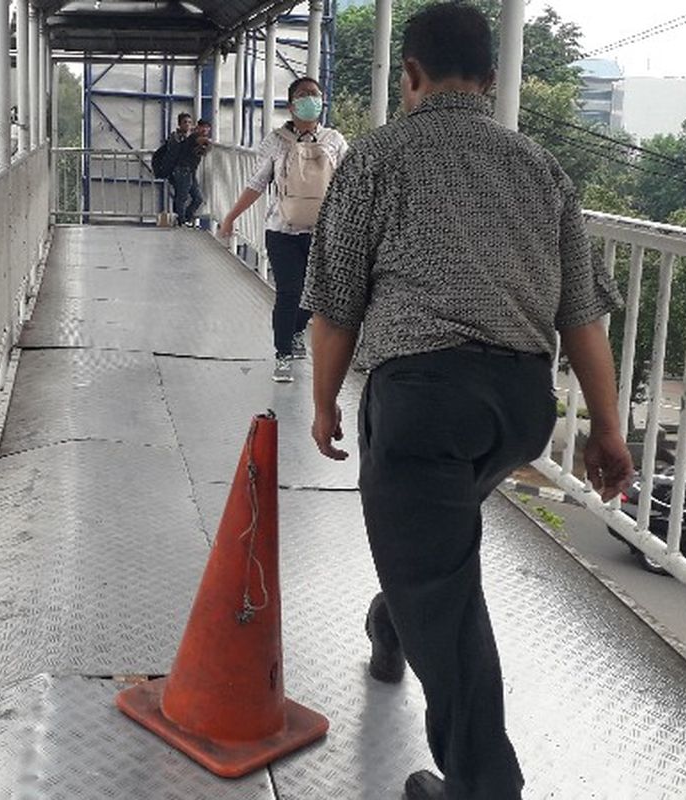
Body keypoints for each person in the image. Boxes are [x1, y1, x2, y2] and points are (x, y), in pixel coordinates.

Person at [301, 5, 634, 800]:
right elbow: (581, 313)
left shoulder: (378, 158)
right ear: (489, 80)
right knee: (431, 549)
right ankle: (391, 625)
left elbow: (335, 308)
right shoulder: (541, 167)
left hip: (423, 401)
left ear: (408, 75)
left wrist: (322, 405)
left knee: (441, 588)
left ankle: (483, 785)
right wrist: (608, 429)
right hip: (518, 407)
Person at [216, 77, 348, 383]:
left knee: (316, 294)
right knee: (289, 291)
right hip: (281, 230)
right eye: (303, 95)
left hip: (322, 231)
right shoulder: (276, 141)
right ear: (291, 105)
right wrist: (231, 217)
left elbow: (348, 184)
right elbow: (257, 183)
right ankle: (283, 353)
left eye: (315, 95)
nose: (310, 100)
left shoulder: (335, 141)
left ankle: (297, 329)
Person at [172, 119, 213, 226]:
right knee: (182, 196)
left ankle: (186, 218)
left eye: (207, 127)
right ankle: (181, 221)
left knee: (198, 198)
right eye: (202, 127)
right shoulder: (194, 136)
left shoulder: (194, 136)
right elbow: (202, 141)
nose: (205, 129)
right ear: (198, 127)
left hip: (190, 171)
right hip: (183, 169)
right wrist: (210, 142)